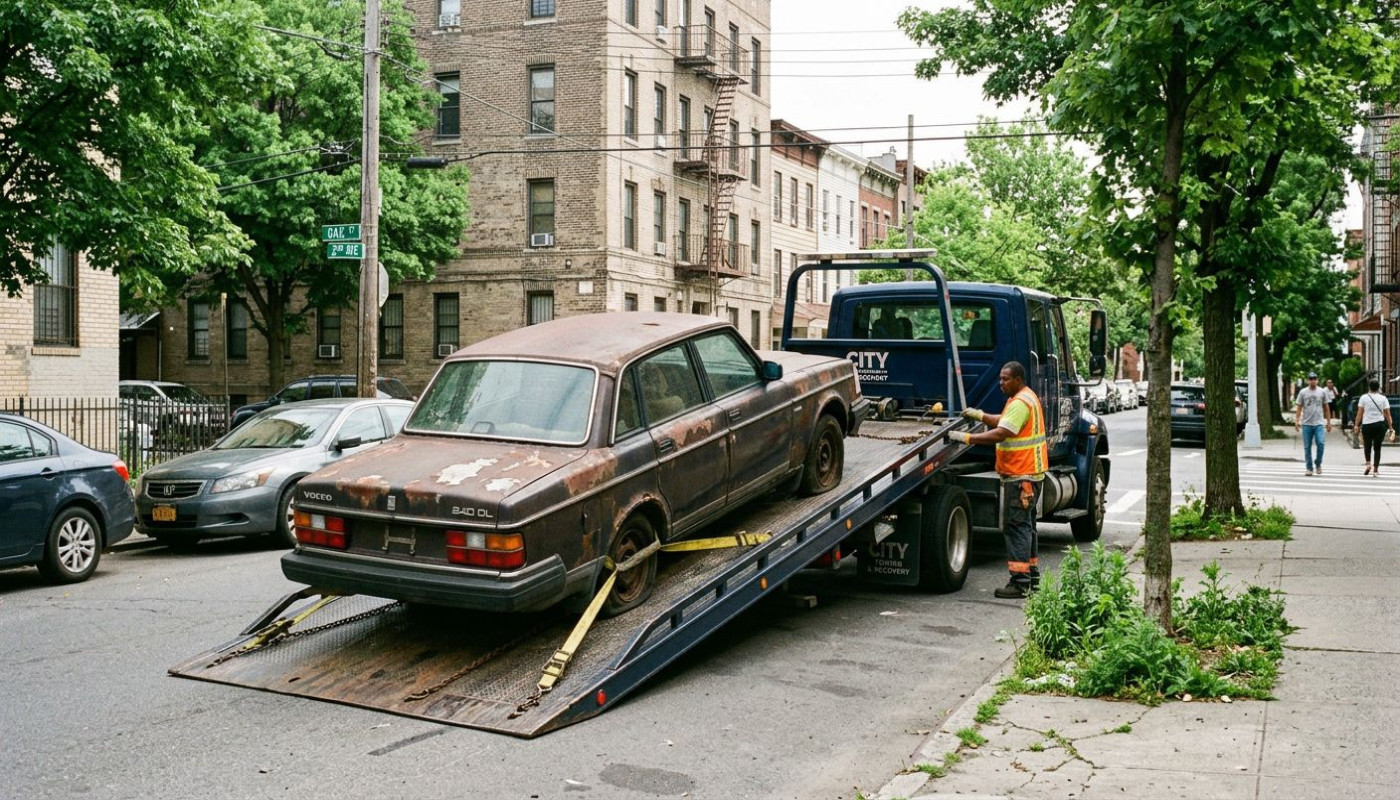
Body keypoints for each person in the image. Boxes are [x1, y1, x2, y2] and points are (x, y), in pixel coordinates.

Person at [950, 361, 1047, 600]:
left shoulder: (1020, 402)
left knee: (1016, 528)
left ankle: (1020, 582)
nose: (1000, 383)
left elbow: (1002, 433)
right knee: (1026, 528)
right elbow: (1003, 422)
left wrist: (967, 438)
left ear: (1018, 379)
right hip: (1030, 474)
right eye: (1000, 379)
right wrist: (980, 415)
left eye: (1005, 379)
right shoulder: (1024, 398)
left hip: (1021, 476)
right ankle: (1030, 577)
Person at [1352, 378, 1394, 477]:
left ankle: (1368, 464)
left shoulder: (1363, 398)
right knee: (1377, 448)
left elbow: (1360, 413)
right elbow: (1387, 414)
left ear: (1369, 387)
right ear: (1378, 387)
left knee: (1367, 445)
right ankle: (1375, 470)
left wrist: (1356, 425)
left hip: (1367, 425)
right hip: (1379, 425)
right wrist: (1391, 426)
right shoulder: (1383, 398)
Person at [1294, 371, 1332, 476]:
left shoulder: (1322, 392)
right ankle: (1309, 468)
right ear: (1308, 380)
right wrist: (1297, 421)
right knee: (1307, 447)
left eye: (1314, 378)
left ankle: (1318, 463)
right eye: (1311, 379)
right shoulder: (1303, 392)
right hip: (1306, 423)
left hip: (1319, 423)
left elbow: (1326, 407)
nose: (1313, 381)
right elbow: (1299, 407)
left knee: (1320, 443)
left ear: (1317, 380)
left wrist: (1328, 422)